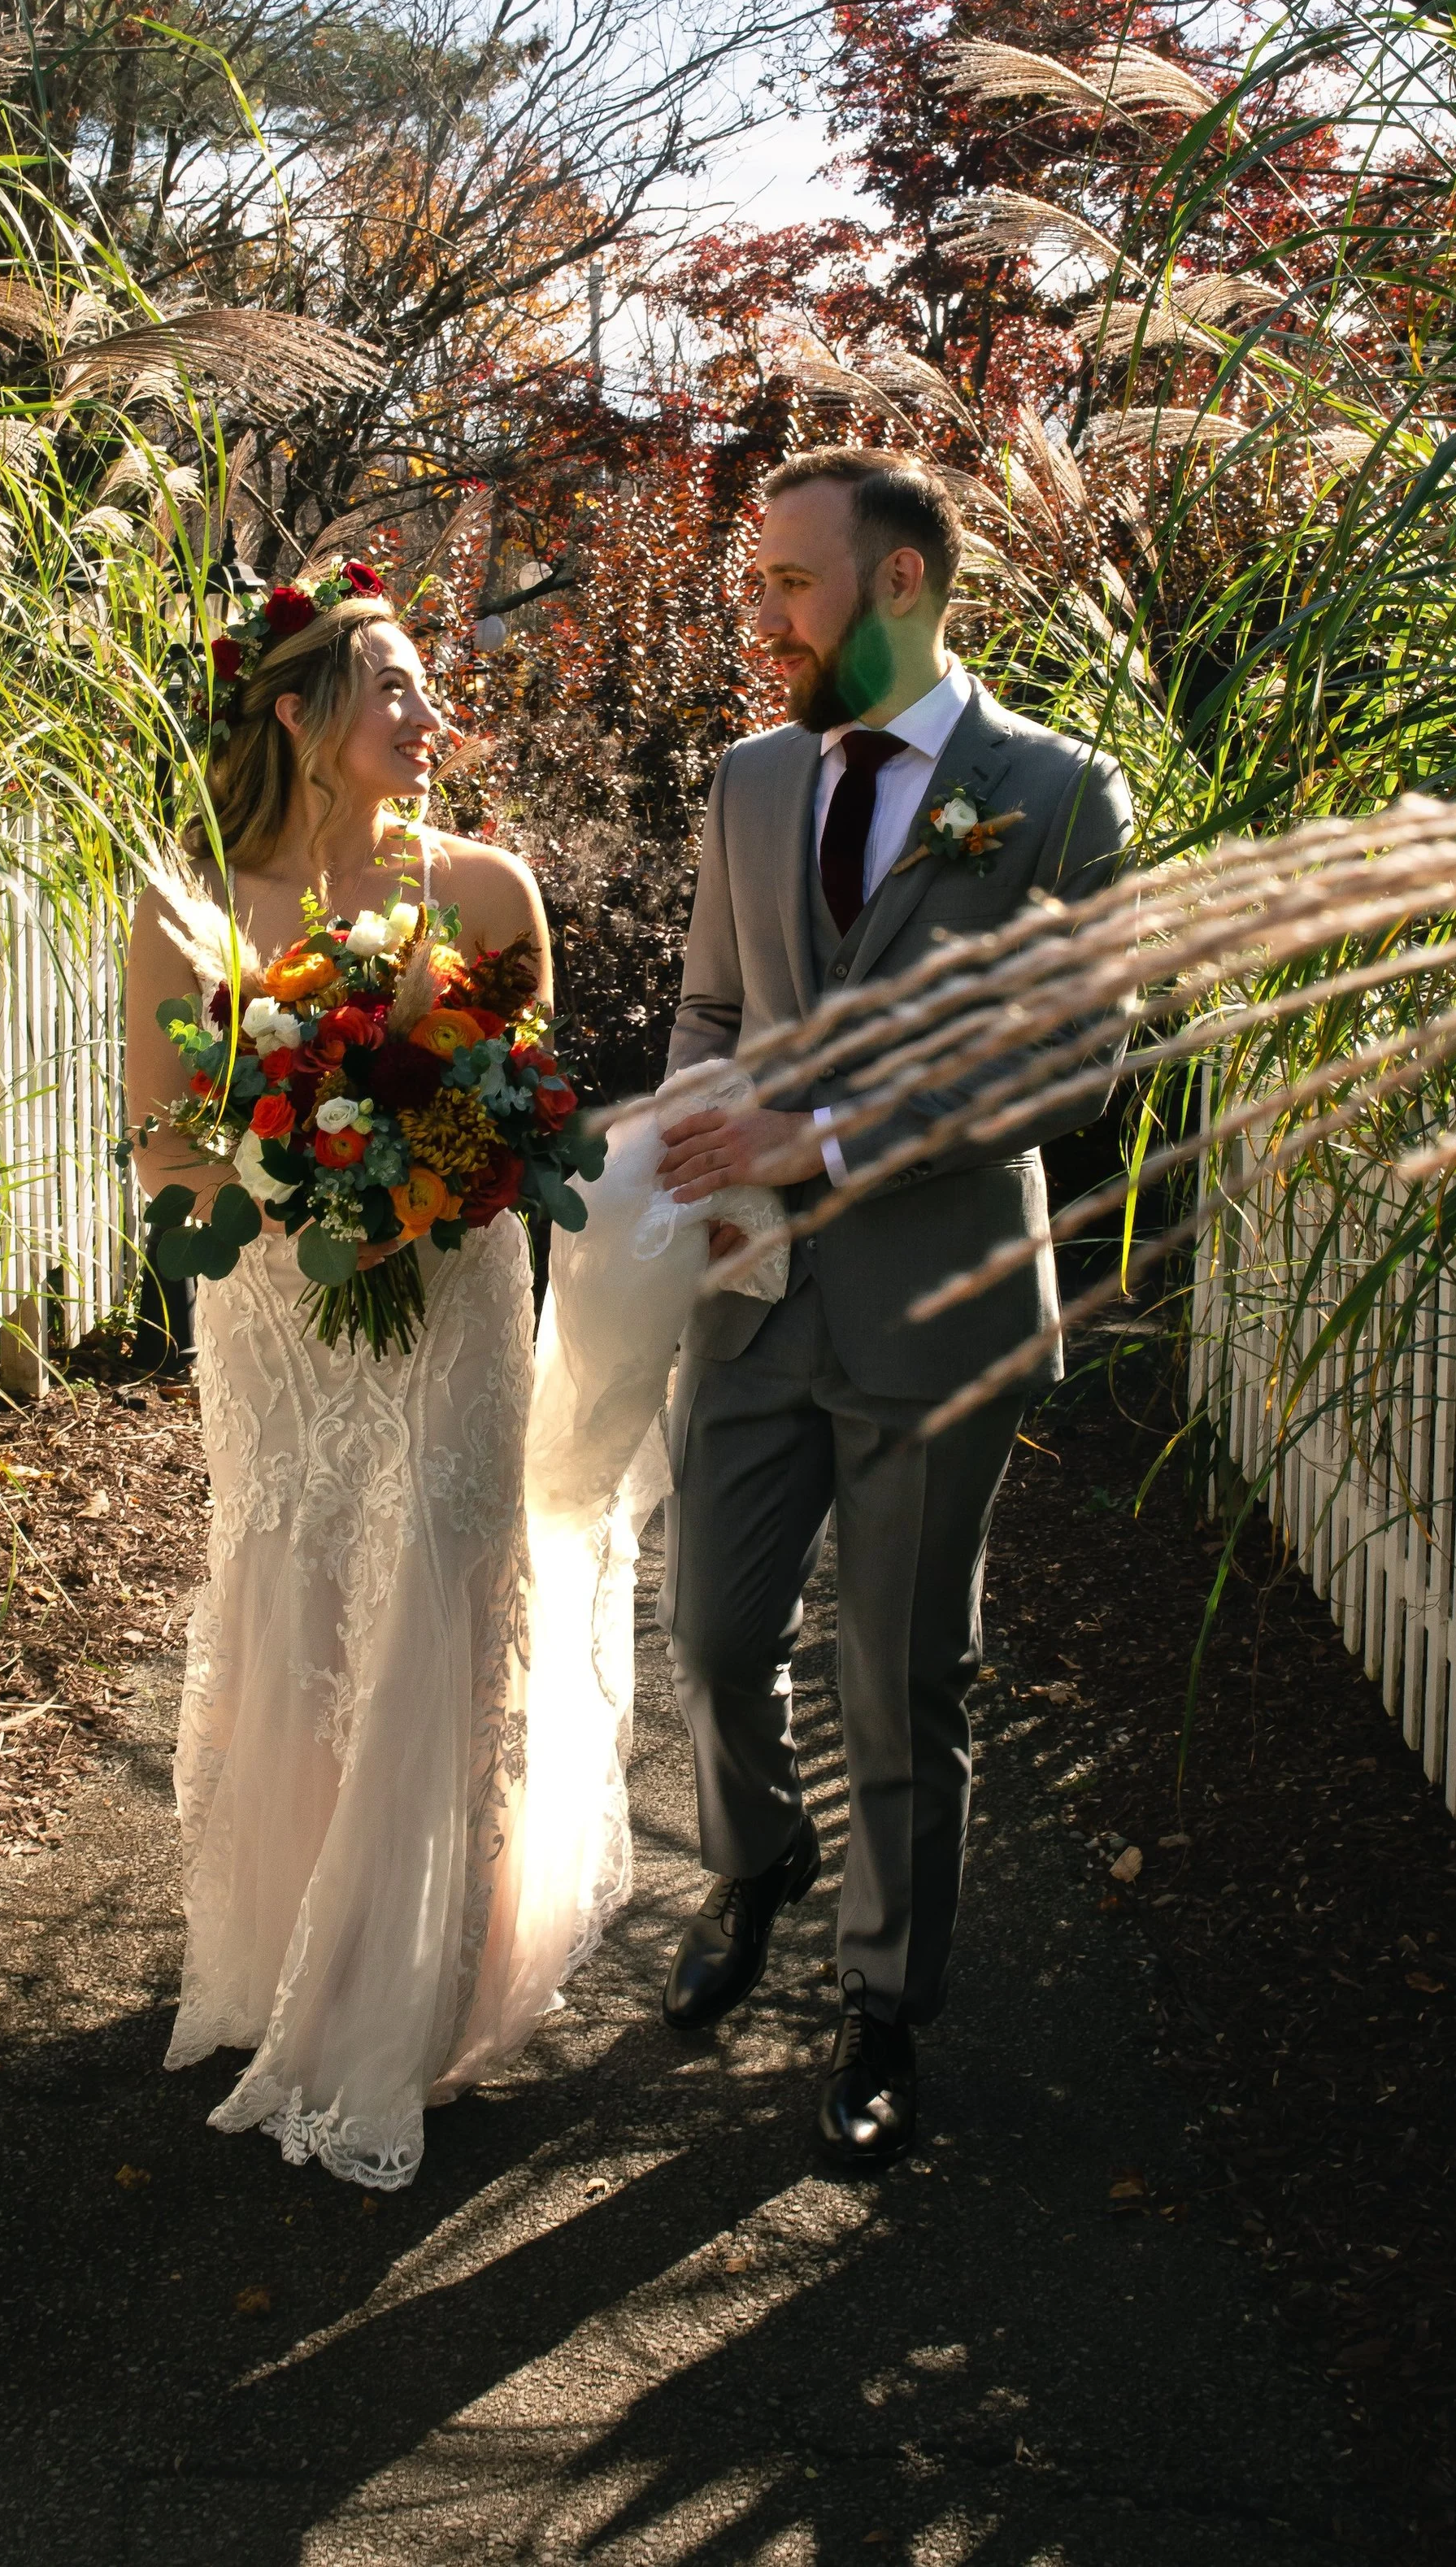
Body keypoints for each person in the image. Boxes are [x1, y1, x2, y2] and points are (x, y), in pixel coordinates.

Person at [655, 448, 1132, 2171]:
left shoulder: (1057, 793)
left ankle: (880, 2009)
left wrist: (831, 1133)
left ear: (904, 581)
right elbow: (712, 1008)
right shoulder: (748, 783)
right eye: (755, 580)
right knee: (709, 1640)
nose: (759, 612)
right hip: (748, 1295)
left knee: (902, 1670)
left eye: (787, 580)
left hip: (938, 1306)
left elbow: (1072, 1060)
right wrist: (694, 1141)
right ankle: (755, 1857)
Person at [124, 564, 630, 2191]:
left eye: (428, 690)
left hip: (453, 1301)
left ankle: (426, 1981)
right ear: (295, 710)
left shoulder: (487, 890)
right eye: (394, 687)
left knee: (430, 1577)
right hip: (280, 1311)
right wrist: (289, 1188)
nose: (428, 717)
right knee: (290, 1586)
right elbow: (161, 1145)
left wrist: (429, 1175)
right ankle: (289, 1954)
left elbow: (525, 1108)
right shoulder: (188, 905)